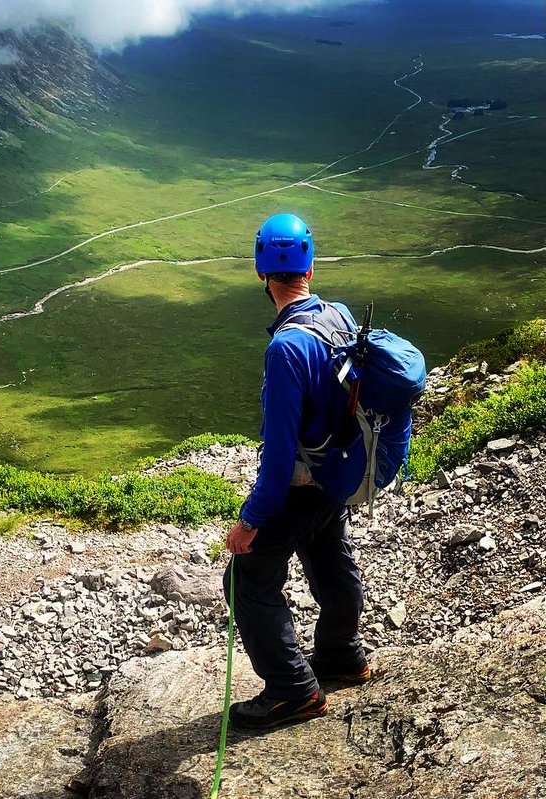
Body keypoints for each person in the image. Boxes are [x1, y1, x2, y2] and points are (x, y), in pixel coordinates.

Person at [223, 213, 372, 730]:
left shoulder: (286, 348)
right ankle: (341, 655)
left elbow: (280, 452)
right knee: (328, 551)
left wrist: (250, 520)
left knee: (249, 576)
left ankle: (291, 691)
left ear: (262, 272)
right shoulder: (340, 316)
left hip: (304, 483)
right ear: (310, 264)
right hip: (341, 474)